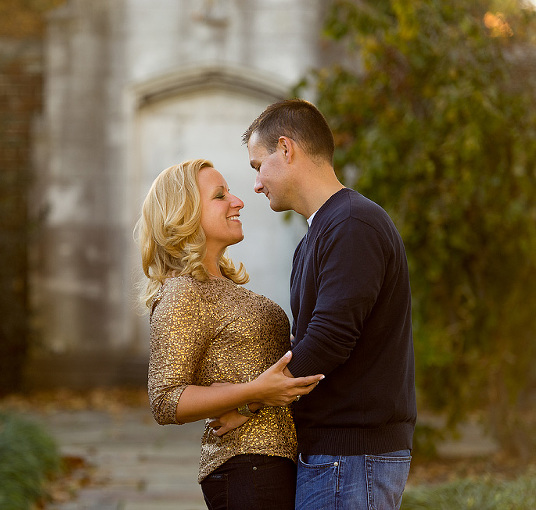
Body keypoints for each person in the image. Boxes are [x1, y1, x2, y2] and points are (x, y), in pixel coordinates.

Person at [233, 98, 417, 509]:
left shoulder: (353, 224)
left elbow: (330, 338)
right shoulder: (319, 234)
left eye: (256, 166)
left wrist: (251, 402)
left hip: (351, 458)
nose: (257, 185)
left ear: (286, 149)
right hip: (335, 456)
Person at [135, 158, 324, 510]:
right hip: (245, 469)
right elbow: (164, 399)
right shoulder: (183, 292)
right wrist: (255, 392)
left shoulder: (224, 287)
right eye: (220, 196)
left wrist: (249, 400)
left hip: (276, 465)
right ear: (185, 213)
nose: (237, 201)